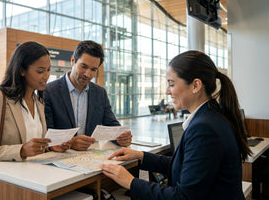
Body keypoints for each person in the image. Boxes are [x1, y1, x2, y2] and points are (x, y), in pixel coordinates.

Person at [100, 50, 251, 200]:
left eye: (171, 84)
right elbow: (186, 166)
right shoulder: (211, 116)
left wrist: (130, 182)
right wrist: (141, 156)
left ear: (196, 85)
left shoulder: (204, 128)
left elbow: (183, 197)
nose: (167, 91)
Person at [0, 41, 68, 197]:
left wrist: (50, 147)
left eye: (48, 70)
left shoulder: (39, 101)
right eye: (40, 71)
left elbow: (33, 145)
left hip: (30, 184)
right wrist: (21, 150)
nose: (46, 76)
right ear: (22, 70)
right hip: (0, 187)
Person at [44, 40, 132, 151]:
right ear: (73, 61)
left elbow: (111, 125)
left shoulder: (100, 93)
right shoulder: (49, 91)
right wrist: (70, 142)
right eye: (83, 66)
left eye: (93, 69)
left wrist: (121, 137)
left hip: (88, 158)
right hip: (59, 157)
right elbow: (46, 132)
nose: (88, 74)